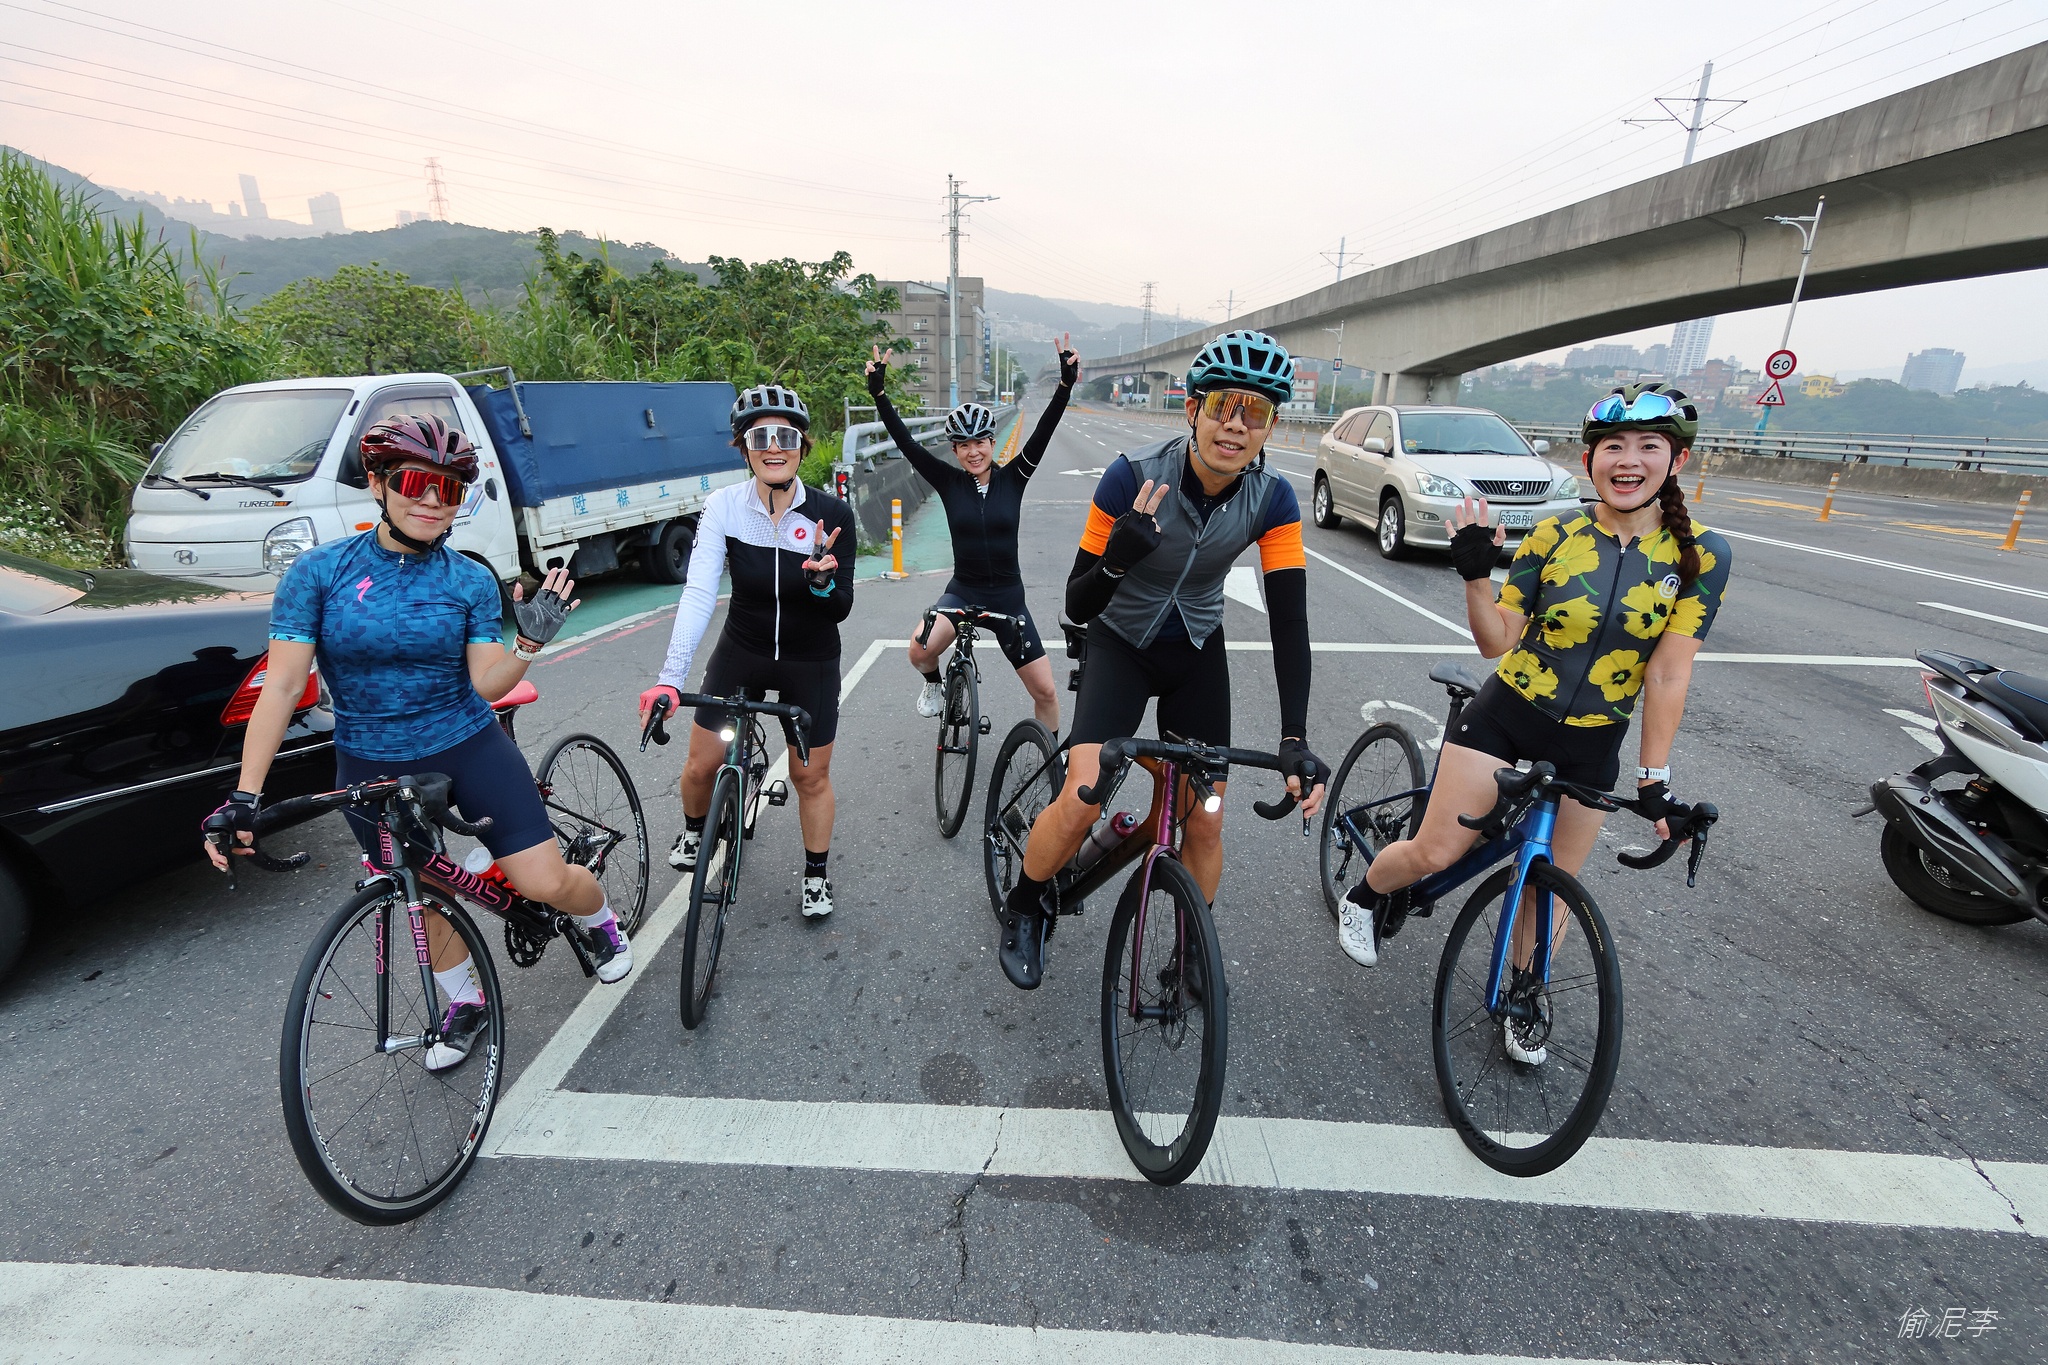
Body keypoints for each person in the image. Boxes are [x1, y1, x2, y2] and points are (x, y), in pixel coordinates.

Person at [204, 414, 625, 1072]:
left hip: (467, 743)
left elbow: (486, 684)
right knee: (422, 890)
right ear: (377, 483)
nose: (432, 500)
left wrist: (526, 644)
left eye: (449, 489)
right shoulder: (318, 574)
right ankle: (466, 1002)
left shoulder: (469, 579)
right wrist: (245, 796)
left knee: (542, 881)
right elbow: (282, 688)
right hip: (369, 761)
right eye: (414, 482)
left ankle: (600, 920)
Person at [1338, 383, 1733, 1056]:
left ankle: (1525, 993)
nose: (1629, 460)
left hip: (1594, 739)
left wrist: (1654, 778)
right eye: (1614, 446)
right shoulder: (1556, 534)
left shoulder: (1702, 554)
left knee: (1551, 888)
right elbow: (1496, 641)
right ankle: (1367, 895)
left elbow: (1669, 673)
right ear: (1589, 459)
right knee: (1437, 851)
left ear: (1678, 460)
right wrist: (1475, 578)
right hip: (1509, 715)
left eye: (1648, 446)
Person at [996, 330, 1330, 989]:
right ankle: (1027, 903)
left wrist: (1294, 735)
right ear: (1193, 409)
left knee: (1205, 818)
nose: (1236, 425)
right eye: (1223, 406)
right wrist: (1117, 560)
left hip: (1196, 647)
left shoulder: (1273, 499)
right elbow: (1078, 600)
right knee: (1084, 795)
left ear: (1270, 427)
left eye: (1256, 412)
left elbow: (1289, 622)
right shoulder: (1131, 476)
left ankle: (1191, 947)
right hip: (1119, 641)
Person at [639, 384, 856, 919]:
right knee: (700, 765)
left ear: (802, 446)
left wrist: (823, 584)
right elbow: (698, 592)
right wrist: (670, 677)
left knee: (810, 777)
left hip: (810, 658)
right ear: (744, 448)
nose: (774, 446)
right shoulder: (724, 507)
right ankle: (696, 830)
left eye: (786, 436)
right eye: (760, 437)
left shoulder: (831, 514)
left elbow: (841, 607)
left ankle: (816, 875)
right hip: (743, 649)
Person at [864, 337, 1079, 735]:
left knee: (1047, 692)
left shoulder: (1015, 476)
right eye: (964, 445)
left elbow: (1045, 428)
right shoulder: (948, 481)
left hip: (1008, 598)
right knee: (919, 651)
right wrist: (879, 394)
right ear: (955, 450)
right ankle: (935, 685)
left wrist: (1065, 385)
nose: (973, 452)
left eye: (980, 442)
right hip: (962, 593)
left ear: (993, 443)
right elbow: (906, 442)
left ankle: (1048, 760)